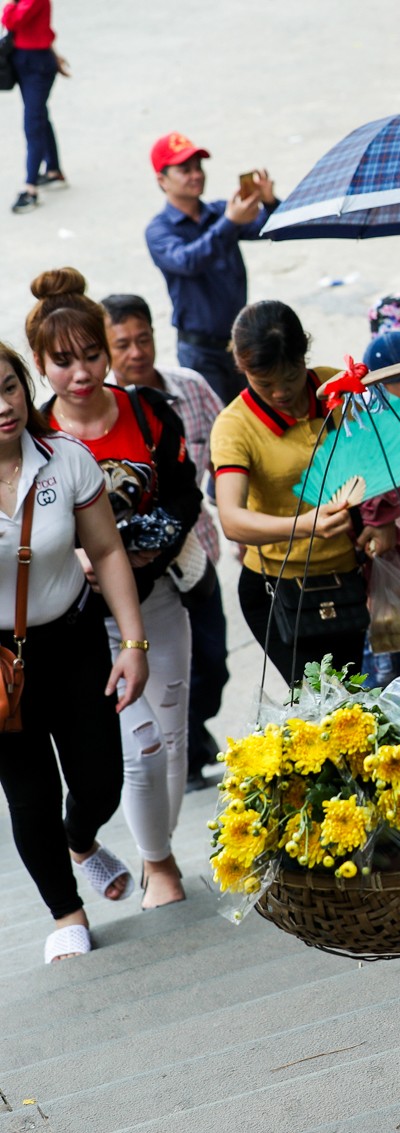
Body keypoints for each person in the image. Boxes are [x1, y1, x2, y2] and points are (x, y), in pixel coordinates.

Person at [31, 269, 201, 909]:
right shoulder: (37, 439)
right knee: (142, 745)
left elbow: (186, 492)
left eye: (92, 355)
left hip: (155, 597)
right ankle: (158, 865)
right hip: (80, 621)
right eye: (63, 361)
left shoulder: (149, 411)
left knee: (175, 738)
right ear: (42, 367)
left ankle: (160, 847)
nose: (82, 373)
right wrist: (77, 553)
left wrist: (148, 537)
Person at [0, 337, 150, 963]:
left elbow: (109, 551)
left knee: (101, 783)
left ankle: (80, 839)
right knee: (27, 791)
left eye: (8, 387)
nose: (1, 406)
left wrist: (134, 641)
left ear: (25, 386)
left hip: (74, 638)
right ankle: (67, 911)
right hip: (0, 666)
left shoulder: (66, 458)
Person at [210, 301, 379, 685]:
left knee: (349, 700)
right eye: (264, 382)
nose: (281, 392)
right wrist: (306, 525)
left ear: (304, 354)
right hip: (278, 590)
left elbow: (377, 461)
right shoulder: (235, 427)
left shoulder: (338, 389)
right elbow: (232, 520)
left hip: (347, 581)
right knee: (318, 705)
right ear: (241, 366)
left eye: (290, 376)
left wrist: (377, 522)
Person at [102, 292, 229, 789]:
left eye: (143, 339)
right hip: (136, 574)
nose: (136, 352)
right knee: (165, 669)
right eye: (122, 344)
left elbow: (224, 454)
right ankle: (188, 753)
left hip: (198, 554)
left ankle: (194, 732)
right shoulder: (106, 412)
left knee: (213, 662)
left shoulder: (190, 387)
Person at [145, 134, 282, 404]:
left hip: (241, 341)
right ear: (162, 180)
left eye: (198, 167)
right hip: (200, 351)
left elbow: (272, 229)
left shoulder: (220, 212)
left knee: (262, 412)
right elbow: (187, 261)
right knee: (218, 425)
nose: (195, 175)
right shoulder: (159, 230)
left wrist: (269, 202)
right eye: (185, 170)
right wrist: (229, 223)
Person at [2, 0, 67, 214]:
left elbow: (12, 20)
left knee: (33, 122)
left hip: (37, 65)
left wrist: (10, 5)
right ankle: (53, 170)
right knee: (39, 116)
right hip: (23, 60)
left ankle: (30, 188)